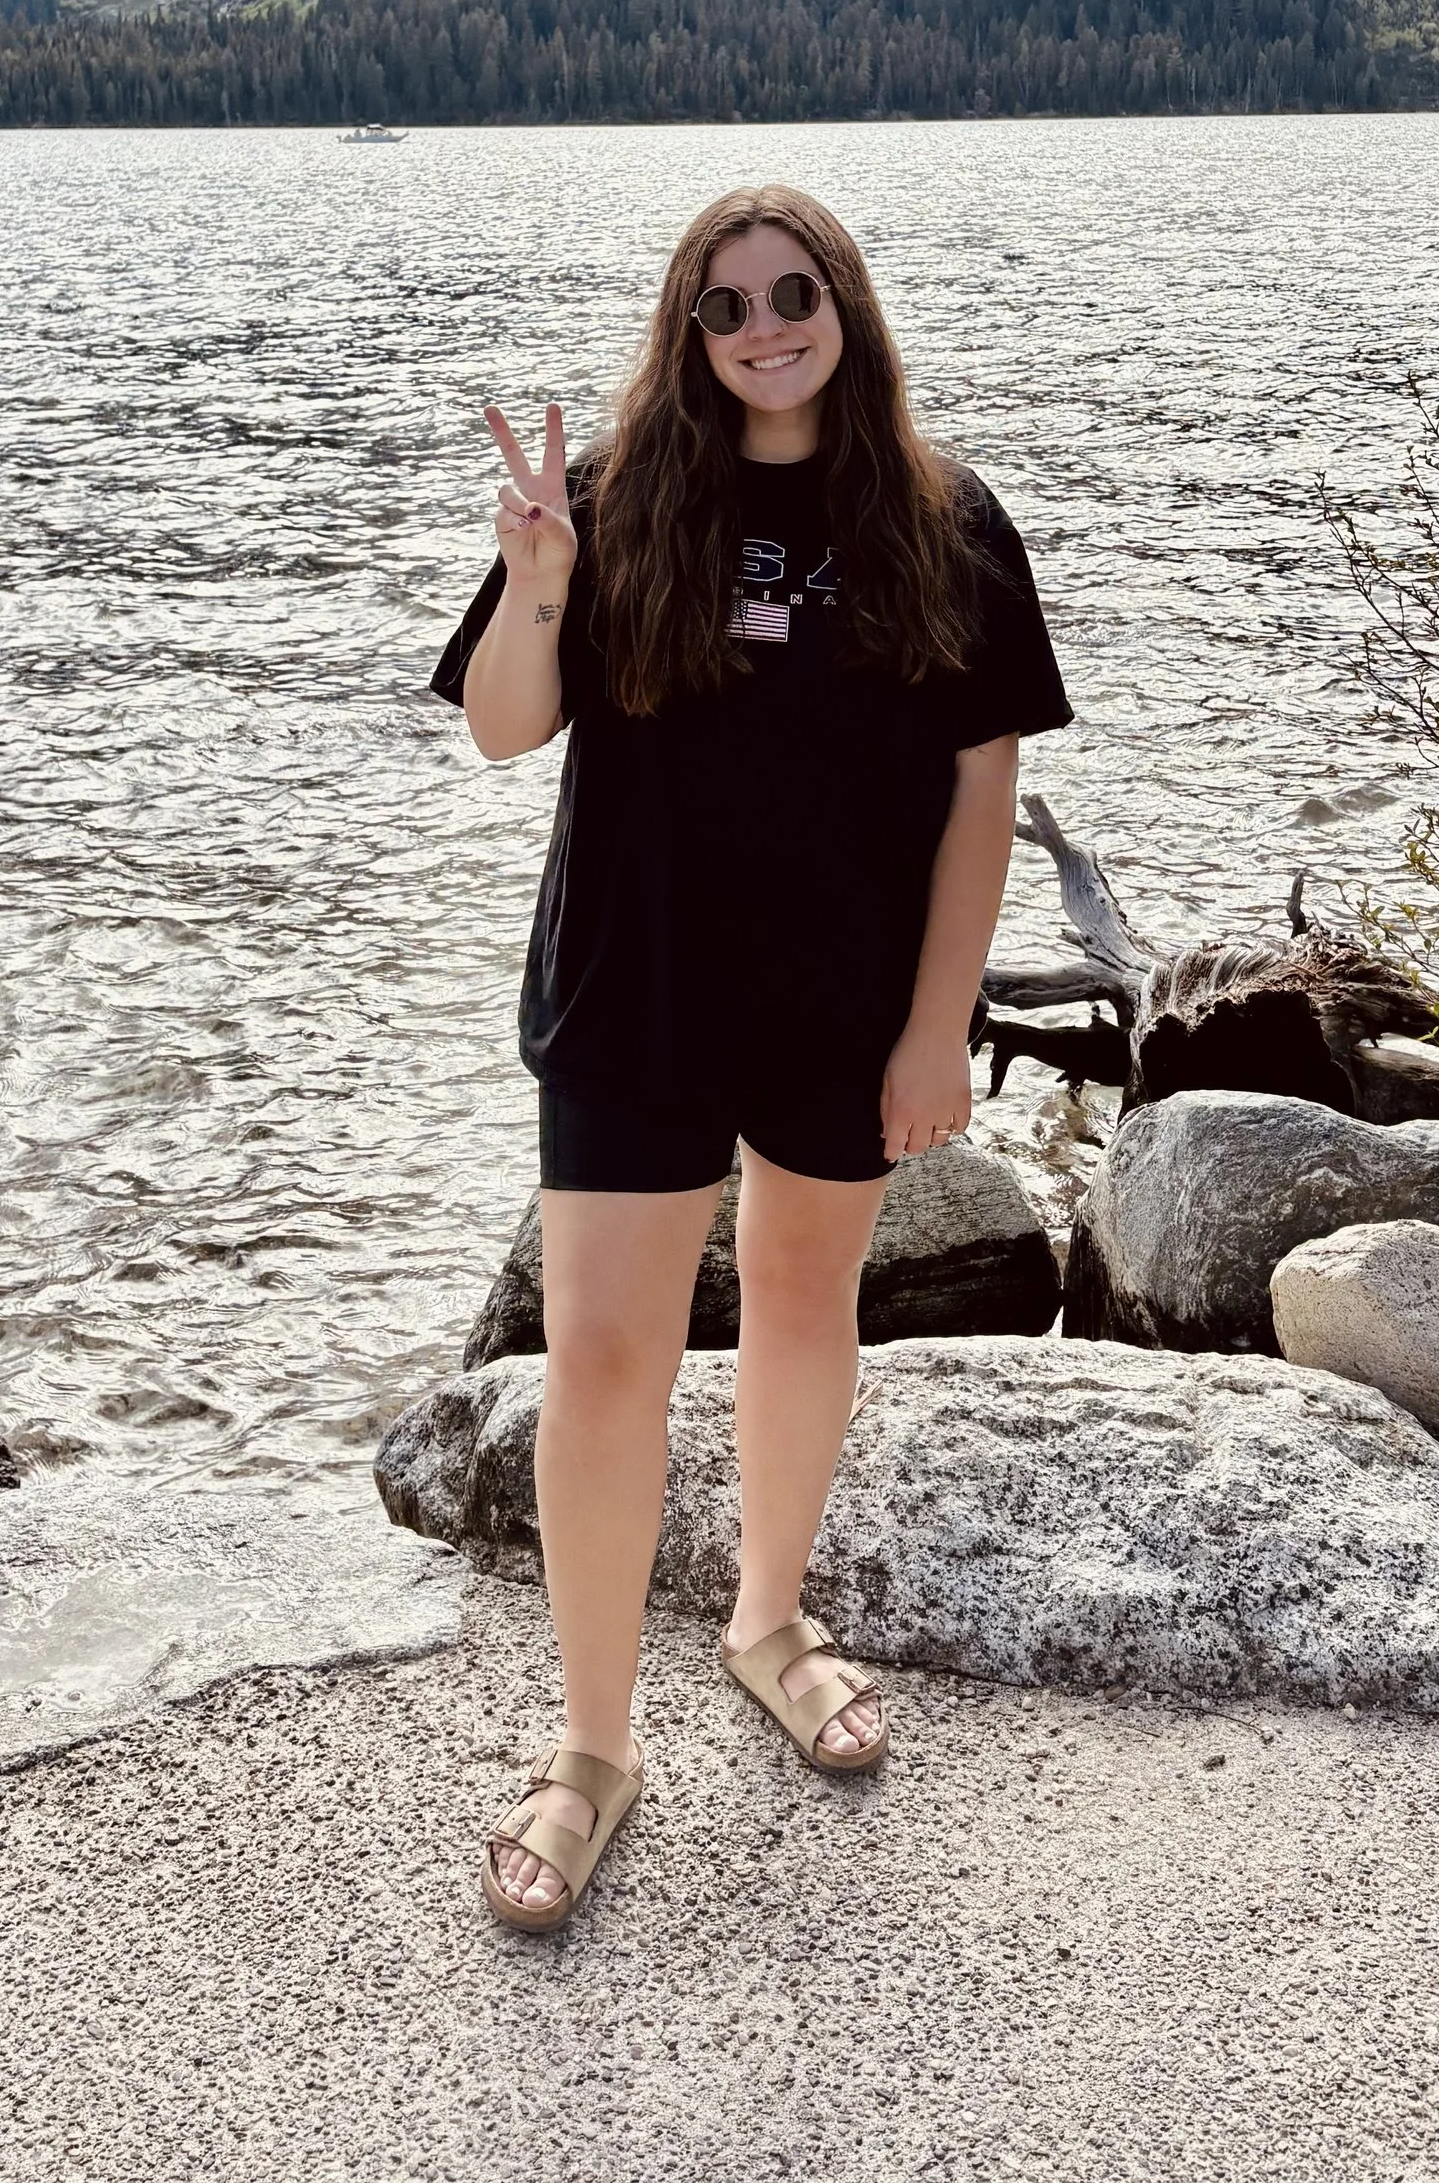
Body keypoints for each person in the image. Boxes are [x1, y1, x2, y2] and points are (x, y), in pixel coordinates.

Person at [430, 184, 1072, 1932]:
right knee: (605, 1361)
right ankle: (590, 1747)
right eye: (726, 306)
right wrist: (537, 591)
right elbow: (502, 732)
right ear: (688, 333)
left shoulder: (947, 521)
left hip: (841, 1002)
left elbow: (980, 791)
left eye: (795, 293)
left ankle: (770, 1621)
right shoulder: (616, 501)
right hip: (635, 992)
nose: (765, 324)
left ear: (844, 307)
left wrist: (940, 1021)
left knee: (804, 1303)